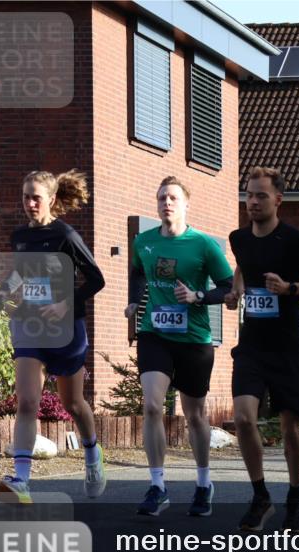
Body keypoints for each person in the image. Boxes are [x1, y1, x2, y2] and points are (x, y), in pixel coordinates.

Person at [0, 170, 105, 503]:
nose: (29, 203)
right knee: (27, 402)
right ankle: (21, 481)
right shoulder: (20, 237)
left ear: (51, 200)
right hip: (31, 326)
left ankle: (92, 455)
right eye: (25, 196)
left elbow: (96, 279)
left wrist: (64, 304)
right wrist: (2, 292)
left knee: (73, 403)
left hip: (66, 329)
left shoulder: (65, 235)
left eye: (35, 197)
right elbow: (20, 272)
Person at [126, 176, 234, 517]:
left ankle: (203, 483)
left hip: (194, 340)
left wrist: (197, 296)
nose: (166, 203)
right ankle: (157, 485)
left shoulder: (203, 245)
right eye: (161, 198)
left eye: (173, 198)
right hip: (154, 334)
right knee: (153, 406)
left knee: (195, 416)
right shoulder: (143, 241)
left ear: (186, 204)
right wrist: (133, 302)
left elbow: (229, 288)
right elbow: (137, 273)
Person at [224, 167, 299, 532]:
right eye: (249, 194)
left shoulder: (295, 240)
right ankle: (260, 495)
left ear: (278, 199)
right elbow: (242, 269)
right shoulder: (239, 238)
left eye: (260, 195)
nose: (252, 201)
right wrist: (236, 292)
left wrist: (288, 287)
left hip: (288, 347)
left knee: (290, 424)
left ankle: (295, 494)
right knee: (245, 417)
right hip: (252, 347)